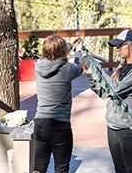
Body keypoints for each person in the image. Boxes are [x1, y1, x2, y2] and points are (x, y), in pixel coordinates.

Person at [81, 29, 132, 173]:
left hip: (129, 129)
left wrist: (95, 67)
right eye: (116, 46)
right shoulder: (122, 66)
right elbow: (104, 92)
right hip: (112, 125)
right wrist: (90, 74)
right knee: (119, 169)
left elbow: (115, 89)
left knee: (131, 169)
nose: (117, 49)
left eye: (120, 45)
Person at [32, 34, 83, 173]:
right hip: (60, 126)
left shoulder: (37, 66)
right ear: (62, 51)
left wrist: (69, 45)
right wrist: (77, 53)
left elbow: (54, 53)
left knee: (38, 167)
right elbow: (79, 68)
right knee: (61, 168)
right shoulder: (68, 69)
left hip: (40, 124)